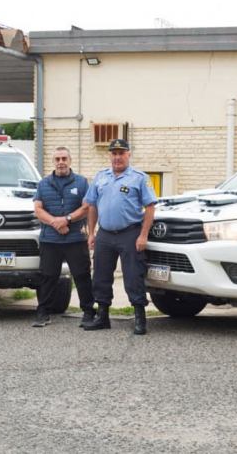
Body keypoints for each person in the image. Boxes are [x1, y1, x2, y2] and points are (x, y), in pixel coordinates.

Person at [83, 139, 158, 335]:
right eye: (114, 153)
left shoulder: (139, 178)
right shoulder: (100, 177)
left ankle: (140, 318)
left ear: (128, 155)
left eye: (121, 153)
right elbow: (92, 205)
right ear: (109, 155)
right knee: (100, 276)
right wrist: (91, 233)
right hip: (105, 235)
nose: (117, 157)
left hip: (130, 234)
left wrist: (143, 235)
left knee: (134, 276)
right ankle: (102, 316)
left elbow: (149, 207)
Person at [31, 146, 93, 328]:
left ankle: (88, 312)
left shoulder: (81, 183)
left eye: (64, 159)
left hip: (75, 239)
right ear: (53, 162)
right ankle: (43, 312)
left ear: (70, 161)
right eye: (57, 159)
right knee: (48, 276)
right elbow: (38, 210)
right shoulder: (43, 184)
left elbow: (86, 207)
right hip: (50, 240)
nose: (61, 163)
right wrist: (56, 223)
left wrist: (67, 220)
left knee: (82, 276)